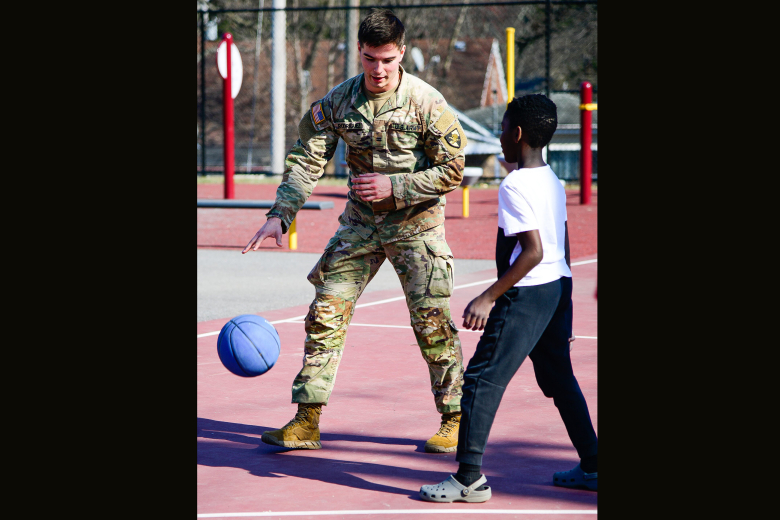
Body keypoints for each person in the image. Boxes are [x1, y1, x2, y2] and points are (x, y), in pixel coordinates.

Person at [242, 8, 468, 453]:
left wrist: (396, 185)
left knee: (432, 323)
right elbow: (308, 156)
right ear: (360, 55)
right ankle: (307, 420)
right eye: (369, 59)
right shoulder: (340, 102)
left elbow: (454, 168)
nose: (378, 70)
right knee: (325, 312)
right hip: (361, 227)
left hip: (416, 228)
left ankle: (455, 418)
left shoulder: (427, 103)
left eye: (386, 59)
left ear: (402, 53)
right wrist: (280, 214)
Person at [419, 94, 598, 503]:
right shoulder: (552, 179)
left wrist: (487, 297)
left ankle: (468, 480)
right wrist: (564, 310)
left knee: (481, 380)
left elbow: (532, 252)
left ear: (516, 135)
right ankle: (593, 463)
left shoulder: (514, 184)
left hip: (528, 293)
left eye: (502, 128)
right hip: (555, 289)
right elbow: (561, 249)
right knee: (559, 379)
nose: (499, 136)